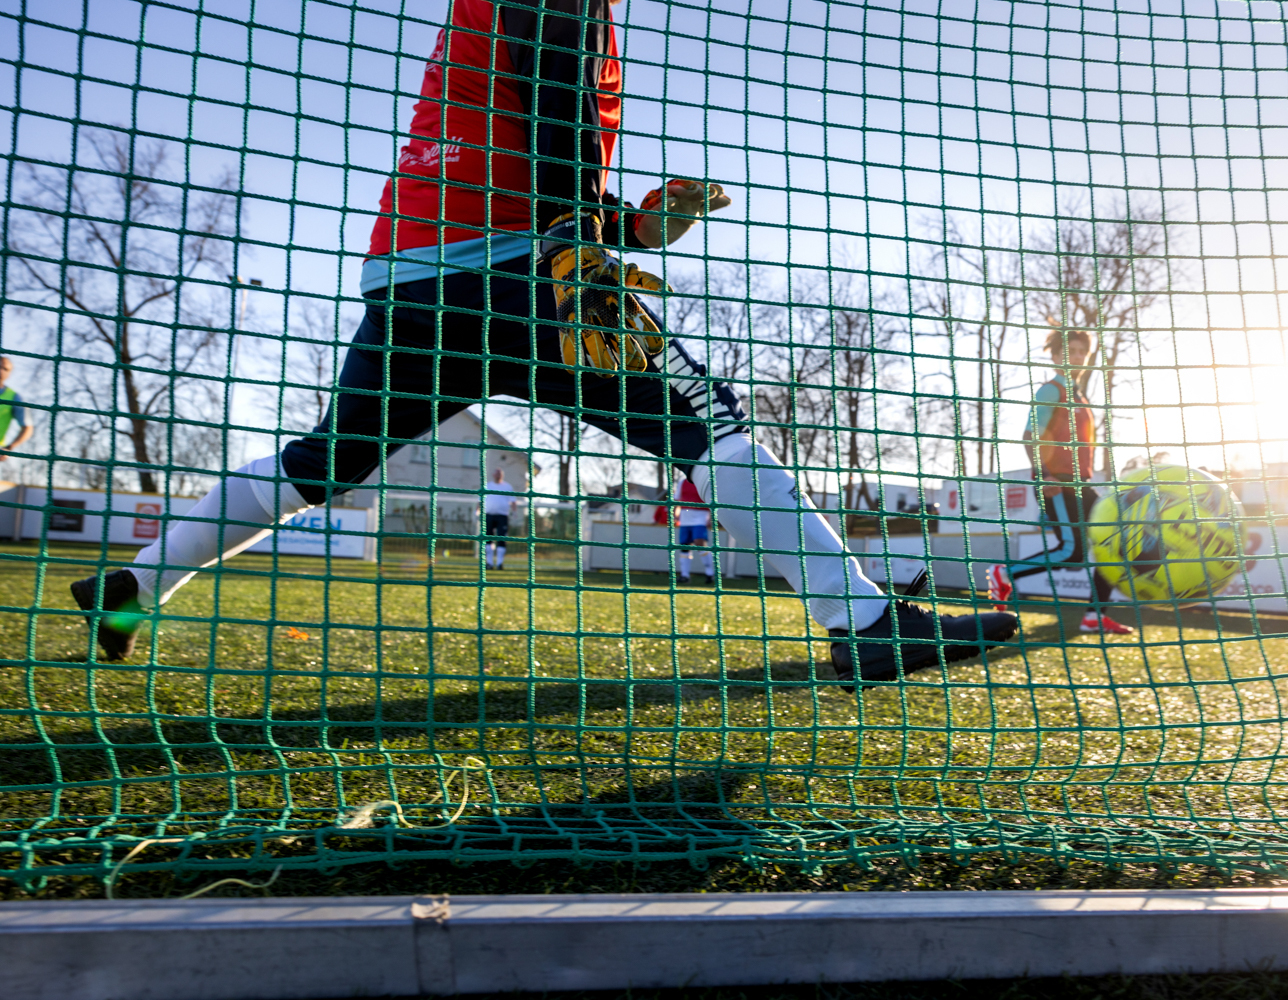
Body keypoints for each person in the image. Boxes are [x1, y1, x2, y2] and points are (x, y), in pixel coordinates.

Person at [70, 0, 1015, 689]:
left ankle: (135, 583)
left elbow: (524, 120)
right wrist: (581, 241)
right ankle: (864, 622)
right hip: (523, 267)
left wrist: (631, 231)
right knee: (709, 431)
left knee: (330, 459)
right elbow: (554, 104)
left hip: (411, 271)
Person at [987, 330, 1135, 636]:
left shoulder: (1081, 397)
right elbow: (1030, 436)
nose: (1077, 358)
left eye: (1082, 352)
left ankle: (1094, 616)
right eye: (1070, 352)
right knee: (1072, 552)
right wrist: (1044, 475)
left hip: (1081, 484)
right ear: (1055, 357)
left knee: (1114, 542)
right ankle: (1005, 573)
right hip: (1056, 483)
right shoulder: (1051, 390)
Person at [674, 474, 713, 584]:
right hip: (685, 517)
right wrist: (676, 514)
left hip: (700, 516)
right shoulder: (682, 482)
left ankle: (709, 573)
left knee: (699, 542)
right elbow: (677, 500)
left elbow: (711, 501)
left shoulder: (704, 480)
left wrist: (710, 518)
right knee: (684, 545)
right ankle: (684, 575)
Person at [481, 466, 519, 570]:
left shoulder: (507, 487)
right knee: (487, 539)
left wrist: (514, 512)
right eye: (496, 473)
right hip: (489, 515)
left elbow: (513, 501)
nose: (498, 475)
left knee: (501, 539)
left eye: (500, 474)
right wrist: (477, 511)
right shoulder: (487, 486)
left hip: (502, 516)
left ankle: (499, 563)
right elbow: (480, 500)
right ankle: (489, 563)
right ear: (493, 475)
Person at [0, 356, 34, 462]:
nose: (1, 371)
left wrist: (10, 447)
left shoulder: (14, 397)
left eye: (5, 369)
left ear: (9, 374)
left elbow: (28, 428)